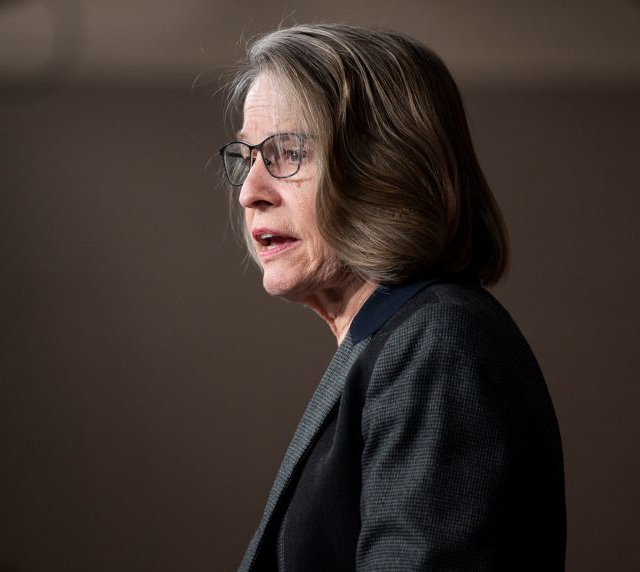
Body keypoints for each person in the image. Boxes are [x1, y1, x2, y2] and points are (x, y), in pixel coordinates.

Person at [218, 24, 566, 571]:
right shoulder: (389, 340)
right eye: (246, 157)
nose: (249, 192)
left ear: (386, 169)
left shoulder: (439, 339)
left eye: (286, 153)